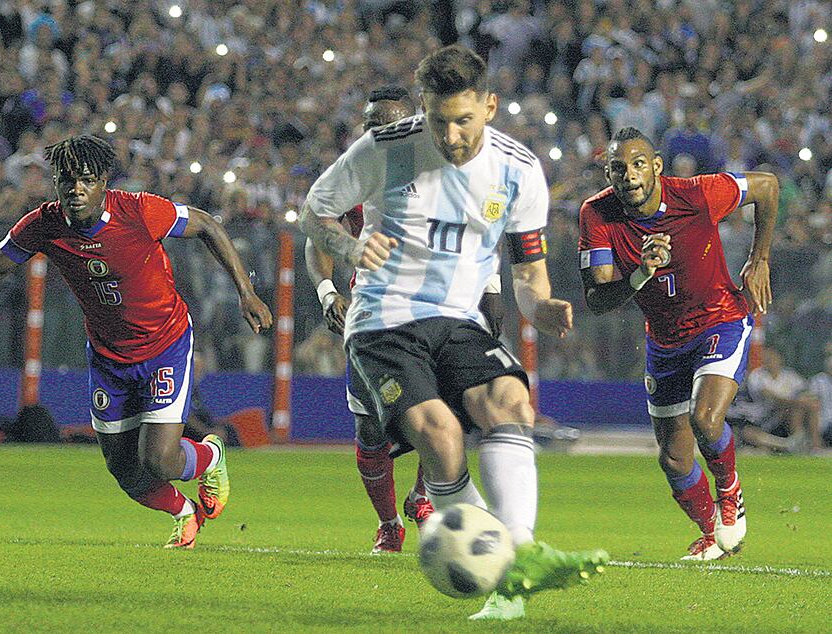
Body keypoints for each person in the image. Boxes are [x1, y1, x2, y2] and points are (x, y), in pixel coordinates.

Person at [299, 45, 607, 622]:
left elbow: (527, 273)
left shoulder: (518, 170)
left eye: (465, 120)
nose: (453, 135)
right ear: (423, 108)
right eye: (440, 121)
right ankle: (505, 568)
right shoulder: (385, 149)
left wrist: (539, 307)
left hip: (458, 318)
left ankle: (518, 557)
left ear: (489, 107)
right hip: (383, 319)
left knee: (510, 399)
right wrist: (348, 245)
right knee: (439, 434)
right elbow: (311, 211)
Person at [0, 135, 273, 549]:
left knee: (158, 459)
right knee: (124, 470)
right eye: (66, 180)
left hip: (164, 344)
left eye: (85, 180)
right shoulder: (44, 223)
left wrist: (246, 291)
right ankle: (184, 513)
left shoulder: (138, 210)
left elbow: (206, 224)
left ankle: (210, 457)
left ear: (103, 182)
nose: (75, 189)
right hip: (108, 358)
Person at [578, 127, 778, 561]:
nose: (628, 175)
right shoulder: (597, 215)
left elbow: (767, 185)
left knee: (705, 419)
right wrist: (640, 273)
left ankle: (731, 493)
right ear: (608, 173)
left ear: (656, 167)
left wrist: (759, 258)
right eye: (617, 167)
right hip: (665, 341)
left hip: (719, 320)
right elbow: (596, 298)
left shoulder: (697, 194)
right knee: (674, 460)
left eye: (637, 164)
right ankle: (711, 535)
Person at [305, 85, 442, 554]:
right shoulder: (356, 176)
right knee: (369, 429)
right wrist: (327, 292)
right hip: (373, 315)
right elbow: (316, 232)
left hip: (431, 311)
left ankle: (421, 496)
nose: (377, 133)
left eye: (389, 123)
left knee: (437, 411)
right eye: (370, 125)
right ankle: (388, 524)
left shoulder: (440, 169)